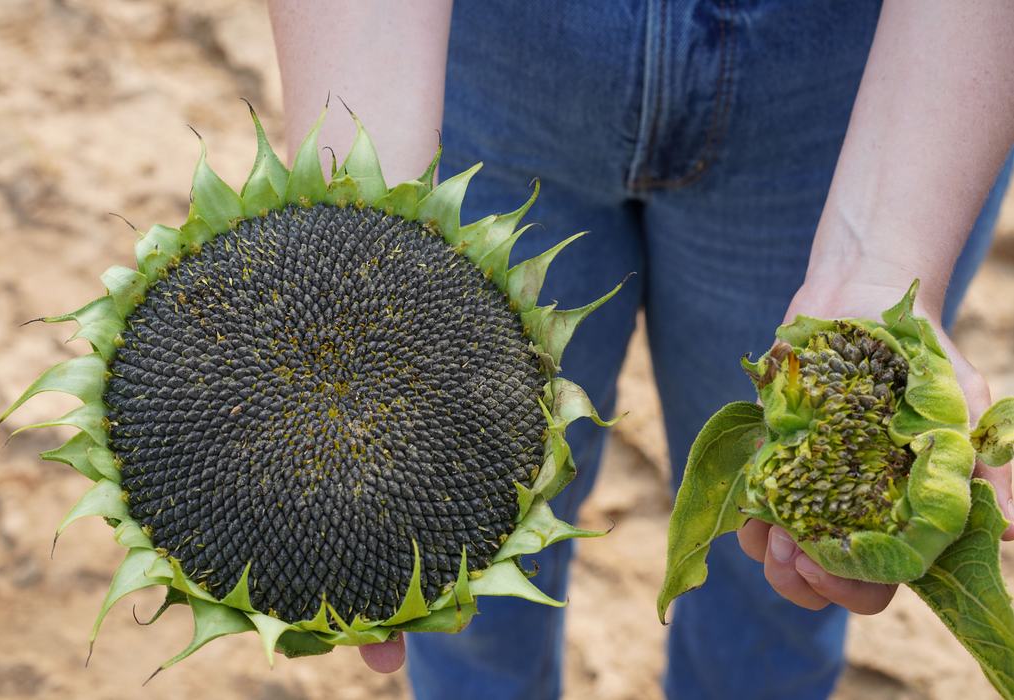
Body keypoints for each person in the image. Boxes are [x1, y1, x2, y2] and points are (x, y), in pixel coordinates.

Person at [268, 1, 1014, 698]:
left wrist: (880, 262)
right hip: (472, 58)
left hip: (866, 89)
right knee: (461, 538)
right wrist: (357, 234)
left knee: (780, 572)